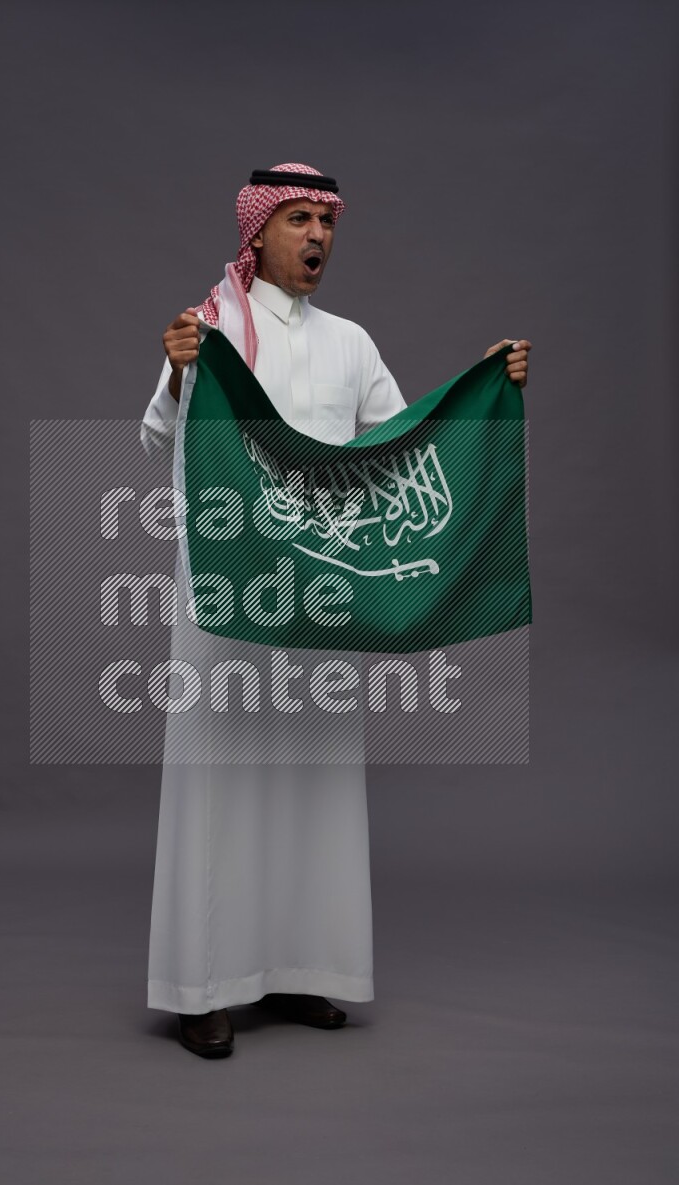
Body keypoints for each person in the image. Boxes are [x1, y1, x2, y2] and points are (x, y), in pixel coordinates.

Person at [140, 163, 531, 1058]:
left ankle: (300, 969)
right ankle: (203, 987)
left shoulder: (352, 342)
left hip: (322, 590)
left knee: (313, 780)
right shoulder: (210, 329)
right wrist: (177, 373)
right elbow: (157, 439)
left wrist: (486, 387)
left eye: (328, 221)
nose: (318, 235)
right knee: (220, 782)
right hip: (228, 592)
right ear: (257, 231)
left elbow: (405, 445)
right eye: (299, 219)